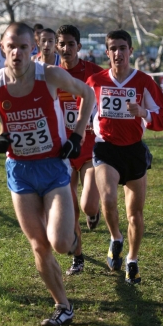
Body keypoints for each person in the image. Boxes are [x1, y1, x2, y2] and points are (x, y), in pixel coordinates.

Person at [0, 22, 95, 326]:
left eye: (23, 46)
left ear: (34, 48)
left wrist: (78, 136)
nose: (17, 52)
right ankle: (63, 306)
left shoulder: (51, 75)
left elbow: (88, 95)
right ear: (2, 48)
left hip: (54, 166)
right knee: (38, 245)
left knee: (58, 242)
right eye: (10, 46)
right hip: (20, 171)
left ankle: (72, 240)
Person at [87, 29, 163, 284]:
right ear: (107, 52)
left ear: (130, 51)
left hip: (134, 150)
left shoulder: (144, 82)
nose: (117, 53)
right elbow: (83, 111)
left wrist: (143, 112)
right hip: (106, 148)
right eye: (113, 48)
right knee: (109, 200)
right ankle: (116, 238)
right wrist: (87, 124)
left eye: (122, 48)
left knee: (135, 213)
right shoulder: (96, 81)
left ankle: (132, 260)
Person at [55, 24, 103, 275]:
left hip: (89, 147)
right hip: (63, 149)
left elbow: (113, 89)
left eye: (70, 44)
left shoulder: (94, 73)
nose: (66, 49)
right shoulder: (50, 74)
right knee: (70, 207)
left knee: (88, 206)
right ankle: (78, 258)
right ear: (56, 46)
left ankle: (94, 214)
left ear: (79, 46)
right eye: (61, 44)